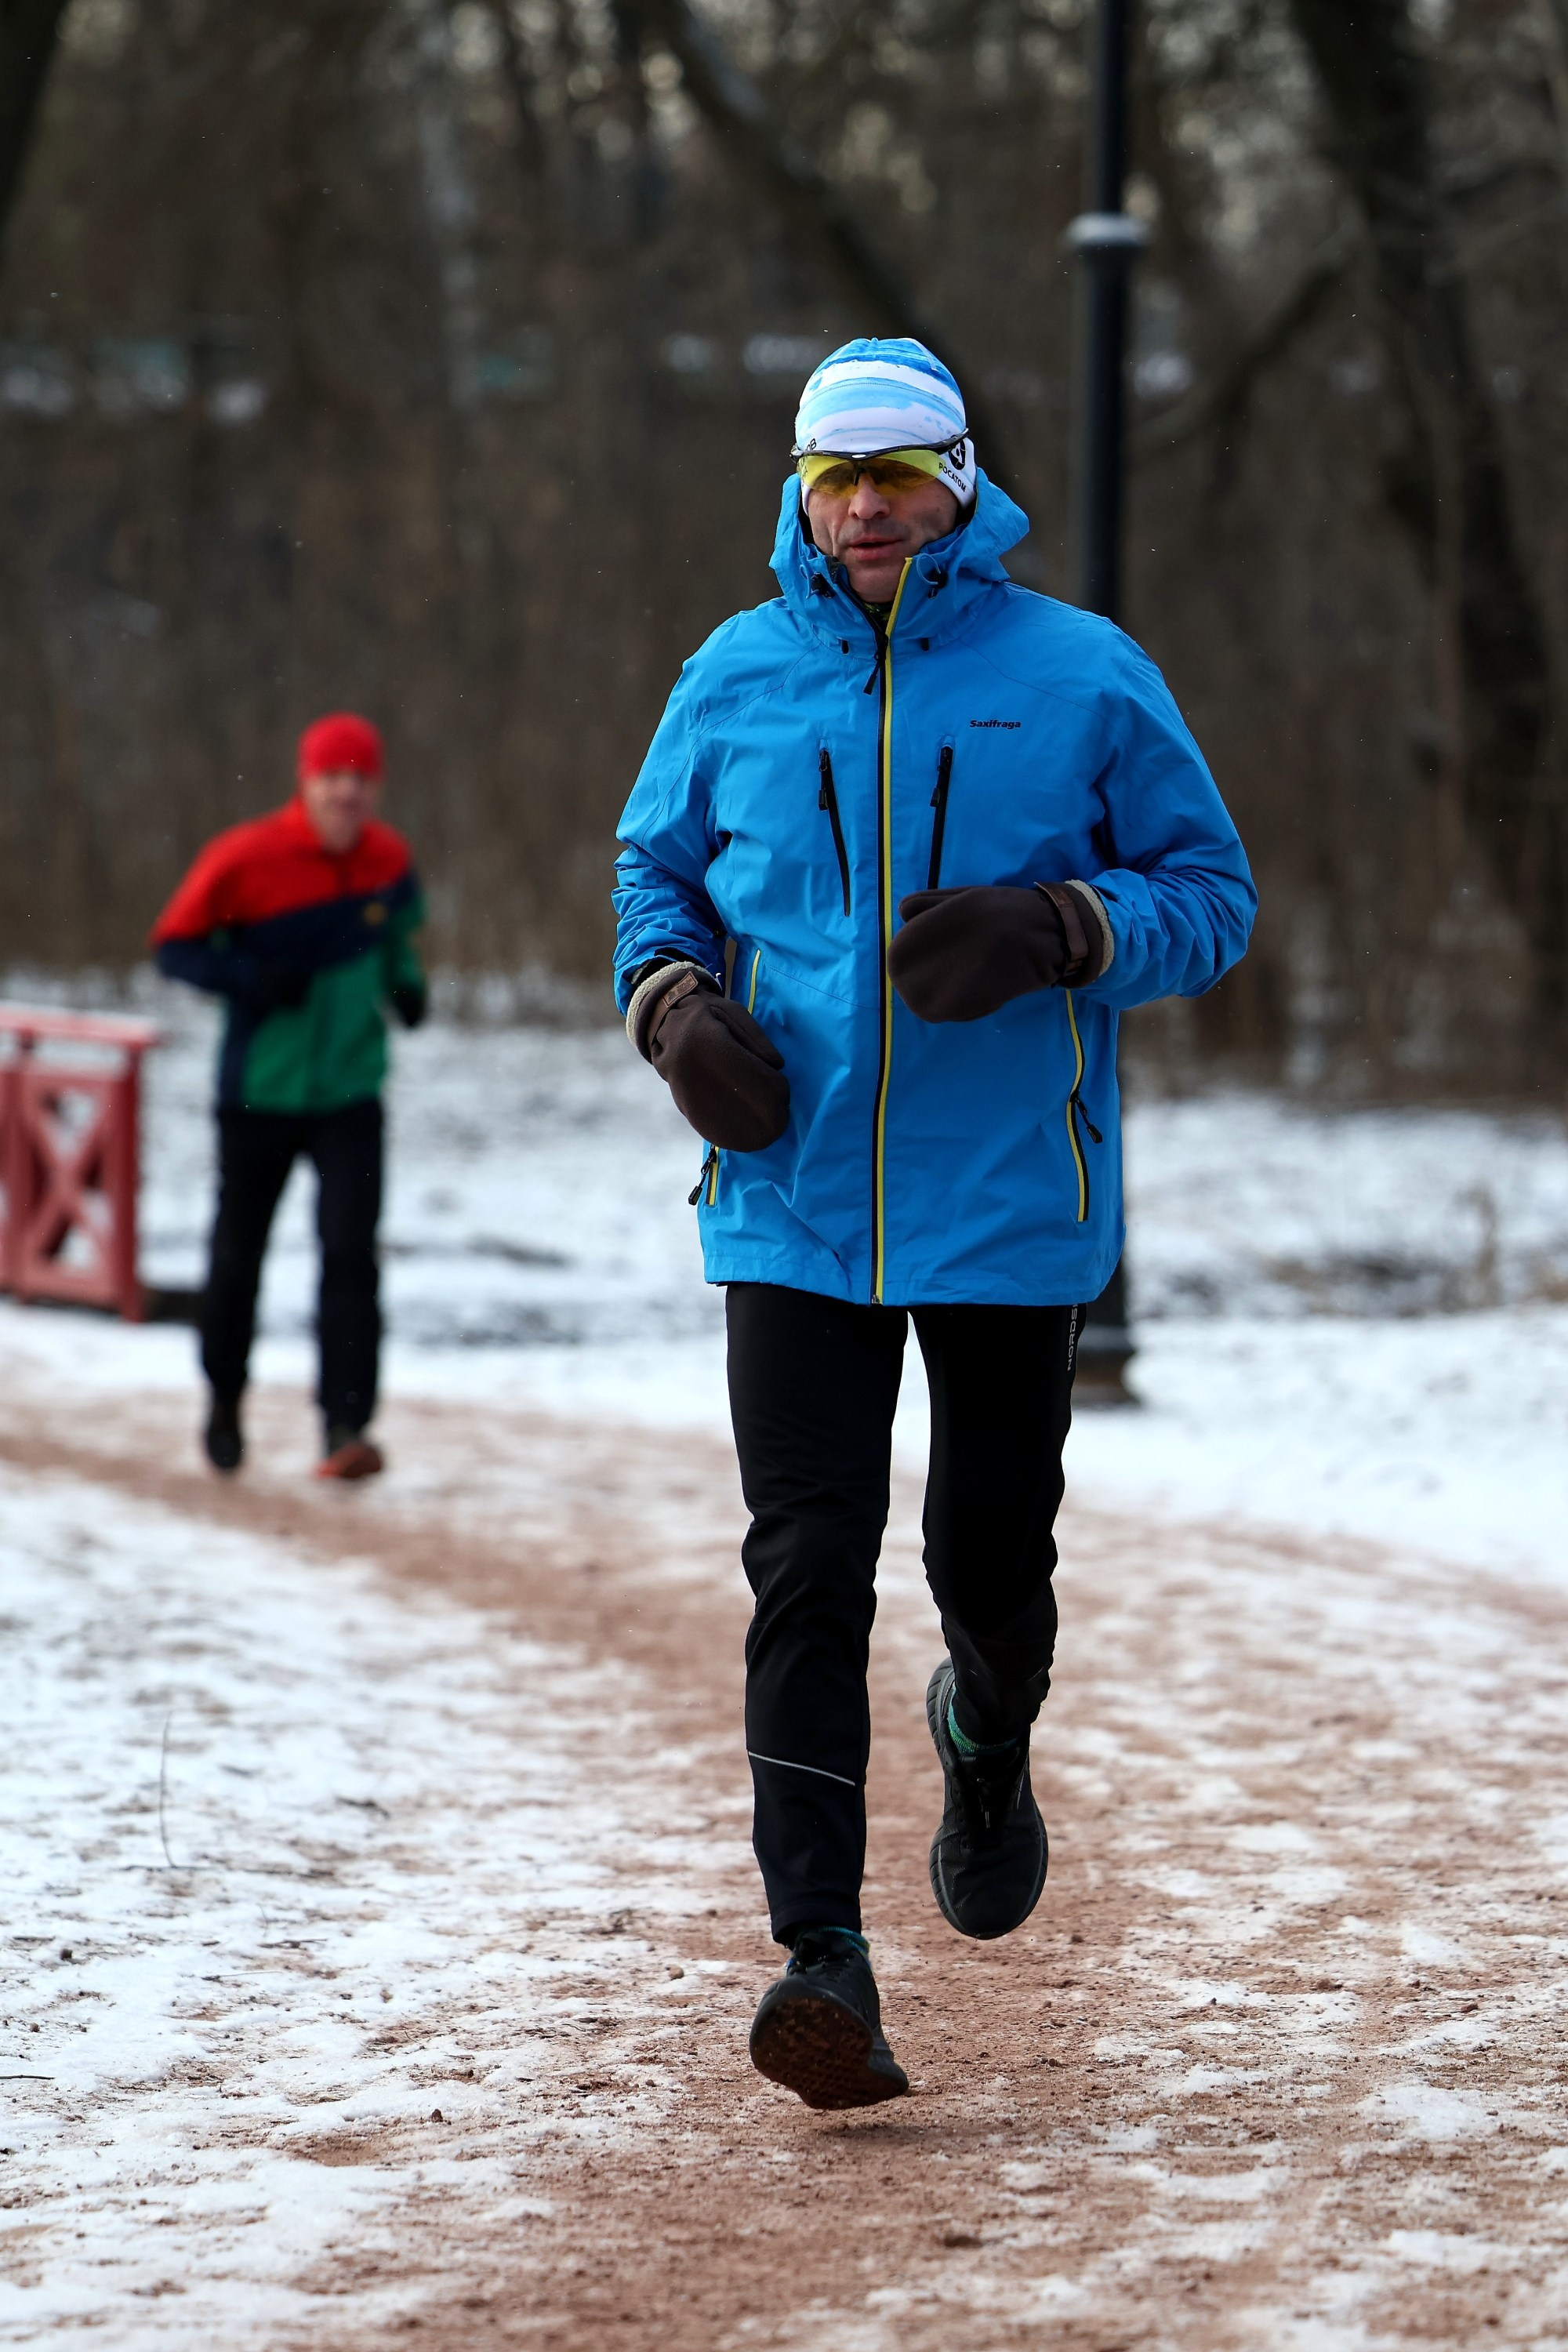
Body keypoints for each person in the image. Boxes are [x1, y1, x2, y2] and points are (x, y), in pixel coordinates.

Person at [613, 339, 1256, 2110]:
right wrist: (671, 1004)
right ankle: (819, 1955)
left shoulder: (1080, 673)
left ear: (963, 481)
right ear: (799, 493)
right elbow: (648, 873)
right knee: (804, 1560)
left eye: (900, 473)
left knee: (991, 1562)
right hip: (790, 1201)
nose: (870, 505)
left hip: (1005, 1205)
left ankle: (984, 1729)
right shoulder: (733, 673)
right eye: (839, 476)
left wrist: (1059, 923)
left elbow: (1211, 898)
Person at [151, 712, 426, 1481]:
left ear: (375, 787)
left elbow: (398, 939)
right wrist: (249, 980)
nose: (346, 791)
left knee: (349, 1256)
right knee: (239, 1254)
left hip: (350, 1092)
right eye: (332, 776)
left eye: (360, 778)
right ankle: (224, 1399)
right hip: (258, 1094)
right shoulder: (244, 859)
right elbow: (173, 947)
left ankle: (344, 1426)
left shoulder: (388, 860)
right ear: (305, 782)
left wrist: (407, 989)